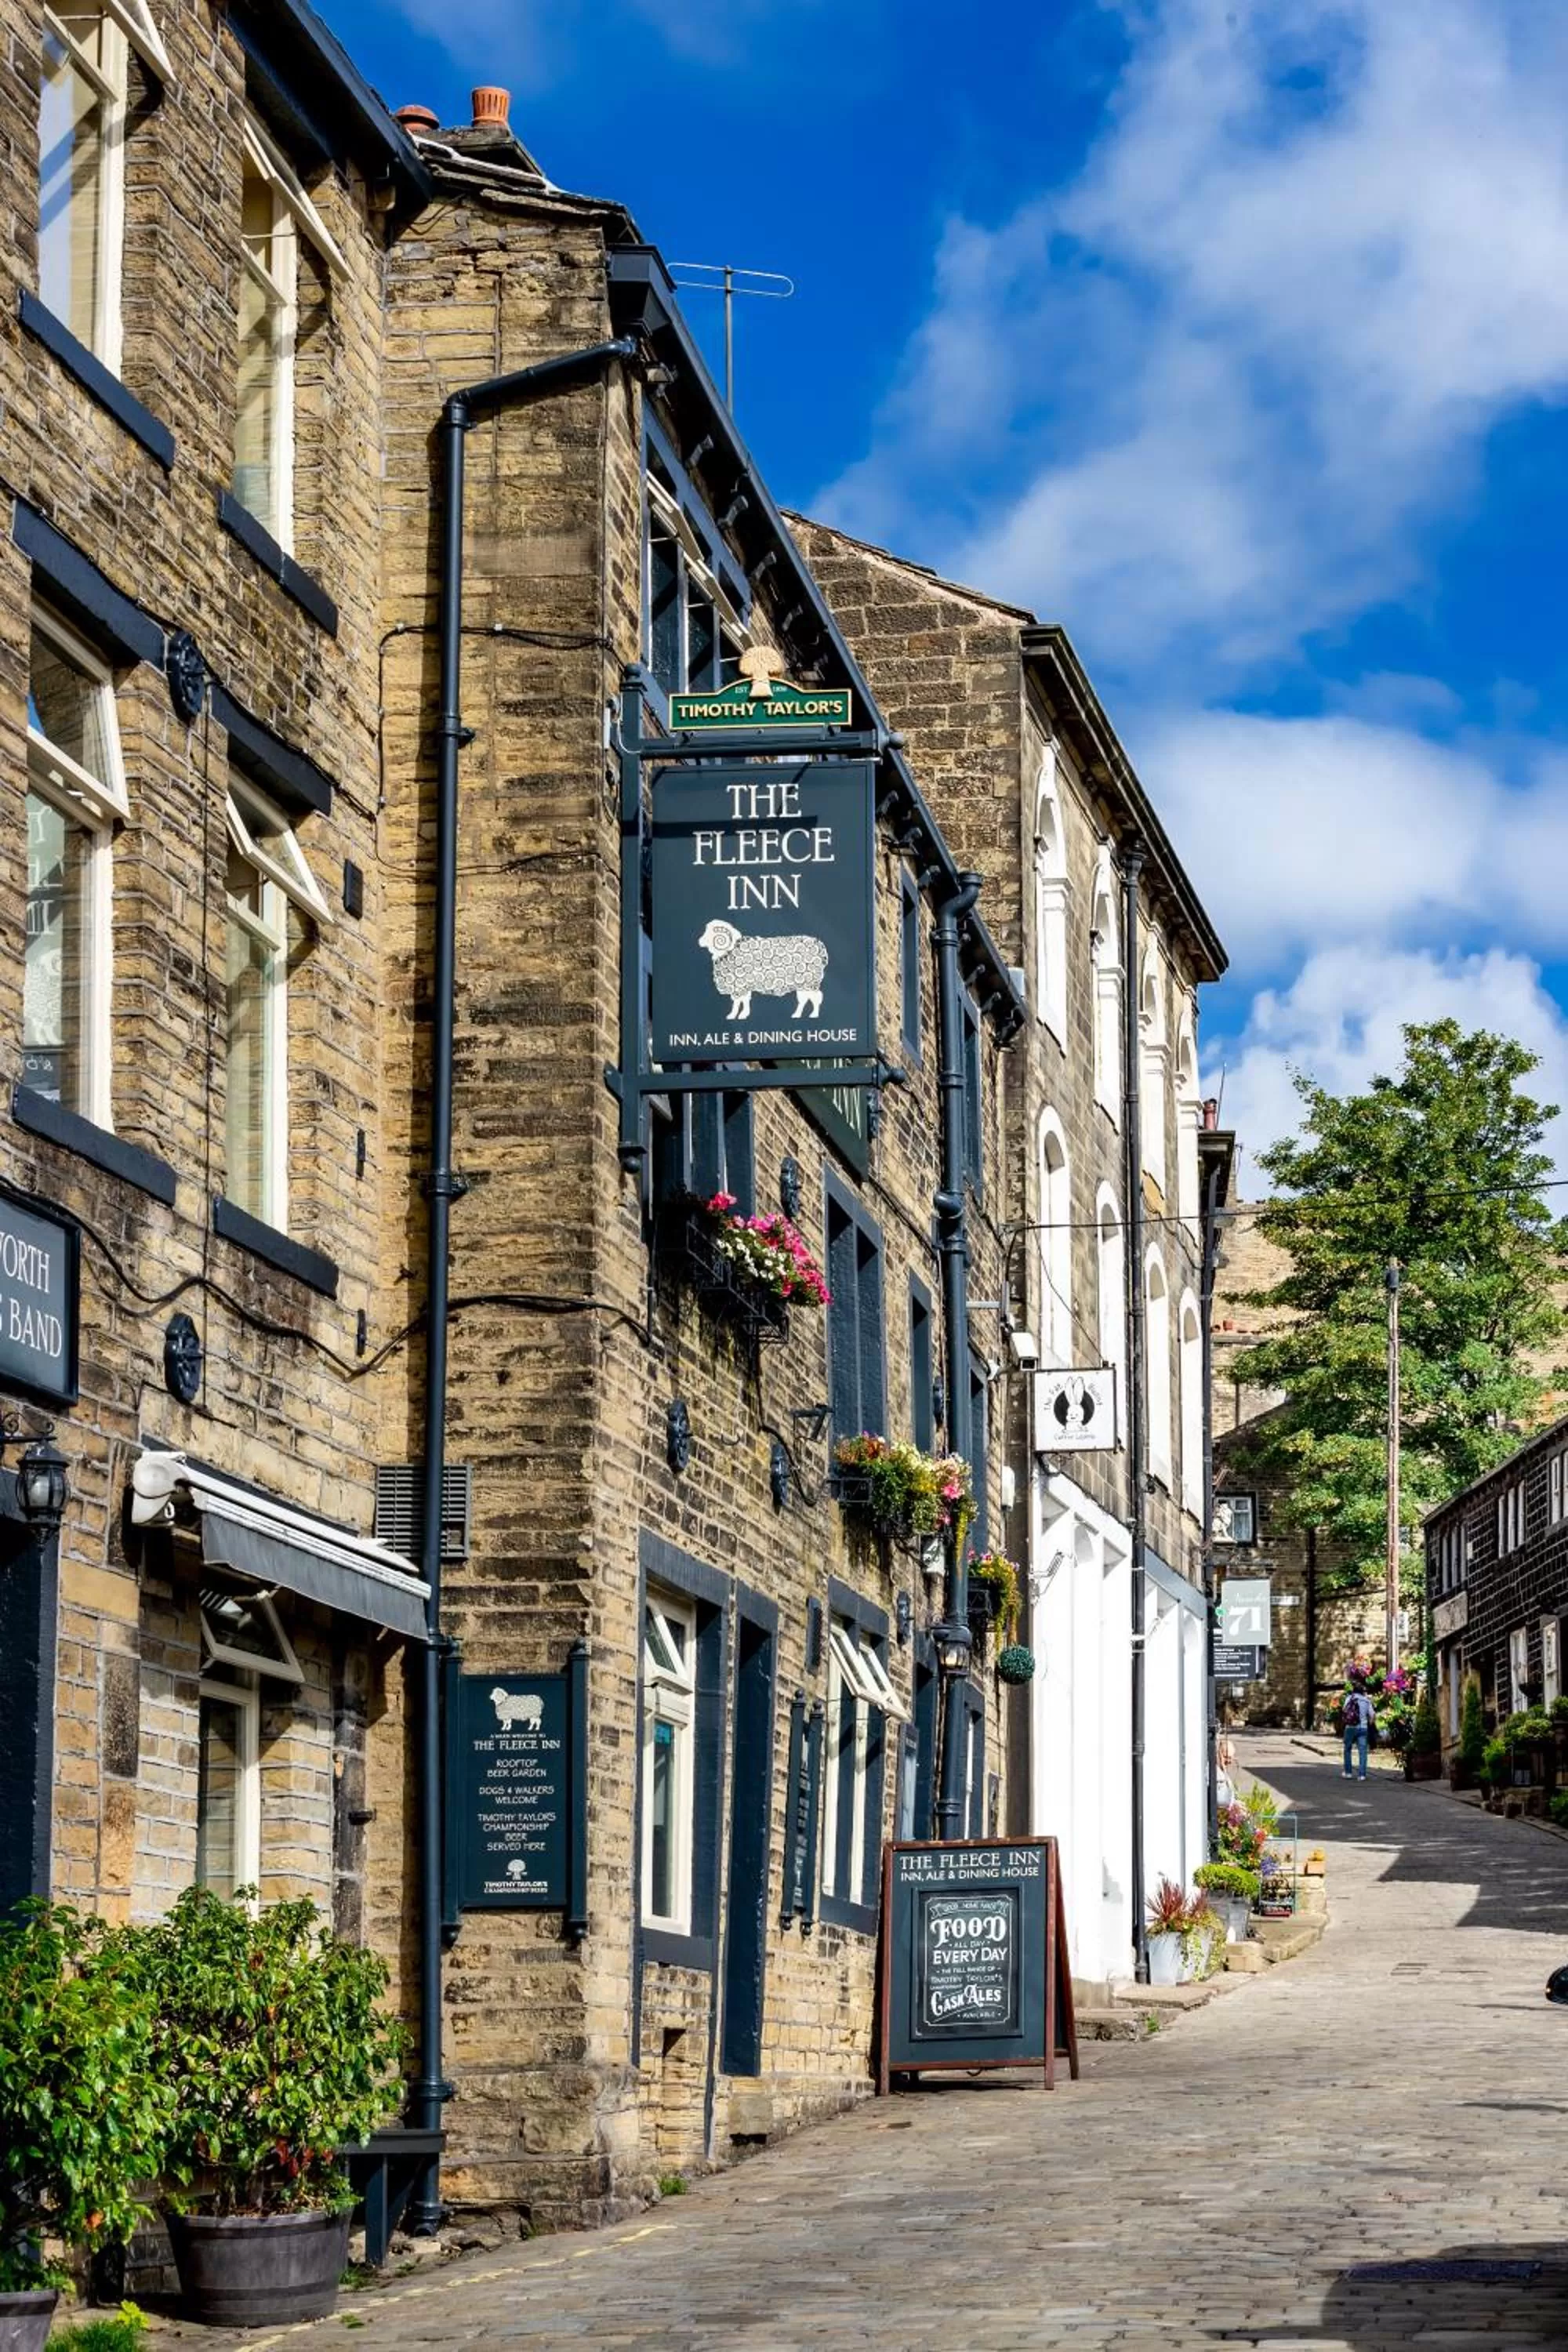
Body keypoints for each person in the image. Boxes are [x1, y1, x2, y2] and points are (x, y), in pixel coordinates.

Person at [1342, 1688, 1373, 1779]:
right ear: (1363, 1692)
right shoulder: (1367, 1701)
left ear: (1354, 1691)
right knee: (1363, 1752)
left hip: (1350, 1727)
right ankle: (1362, 1775)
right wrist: (1368, 1724)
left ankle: (1348, 1773)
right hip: (1363, 1728)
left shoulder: (1349, 1698)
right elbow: (1372, 1715)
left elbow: (1344, 1710)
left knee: (1347, 1749)